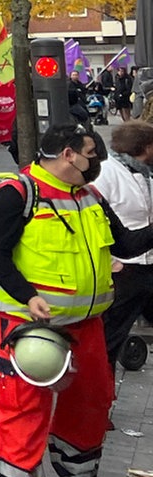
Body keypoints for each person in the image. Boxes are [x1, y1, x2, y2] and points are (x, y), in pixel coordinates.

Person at [0, 124, 153, 477]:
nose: (99, 163)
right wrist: (26, 296)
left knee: (92, 398)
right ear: (69, 154)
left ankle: (78, 474)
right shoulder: (17, 195)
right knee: (24, 404)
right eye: (93, 154)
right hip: (29, 324)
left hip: (87, 321)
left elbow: (124, 245)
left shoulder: (89, 196)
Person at [92, 120, 153, 371]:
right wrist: (108, 261)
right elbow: (93, 220)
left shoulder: (146, 172)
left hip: (149, 264)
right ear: (146, 147)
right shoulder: (106, 174)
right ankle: (100, 391)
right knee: (111, 336)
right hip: (124, 270)